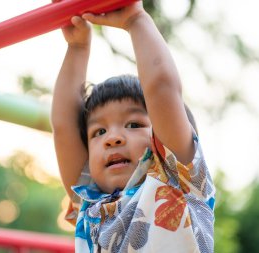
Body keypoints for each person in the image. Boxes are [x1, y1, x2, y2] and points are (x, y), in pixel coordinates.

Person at [51, 1, 215, 252]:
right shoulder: (91, 202)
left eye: (134, 124)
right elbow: (65, 128)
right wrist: (77, 46)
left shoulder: (177, 180)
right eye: (99, 131)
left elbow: (161, 88)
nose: (112, 138)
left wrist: (135, 20)